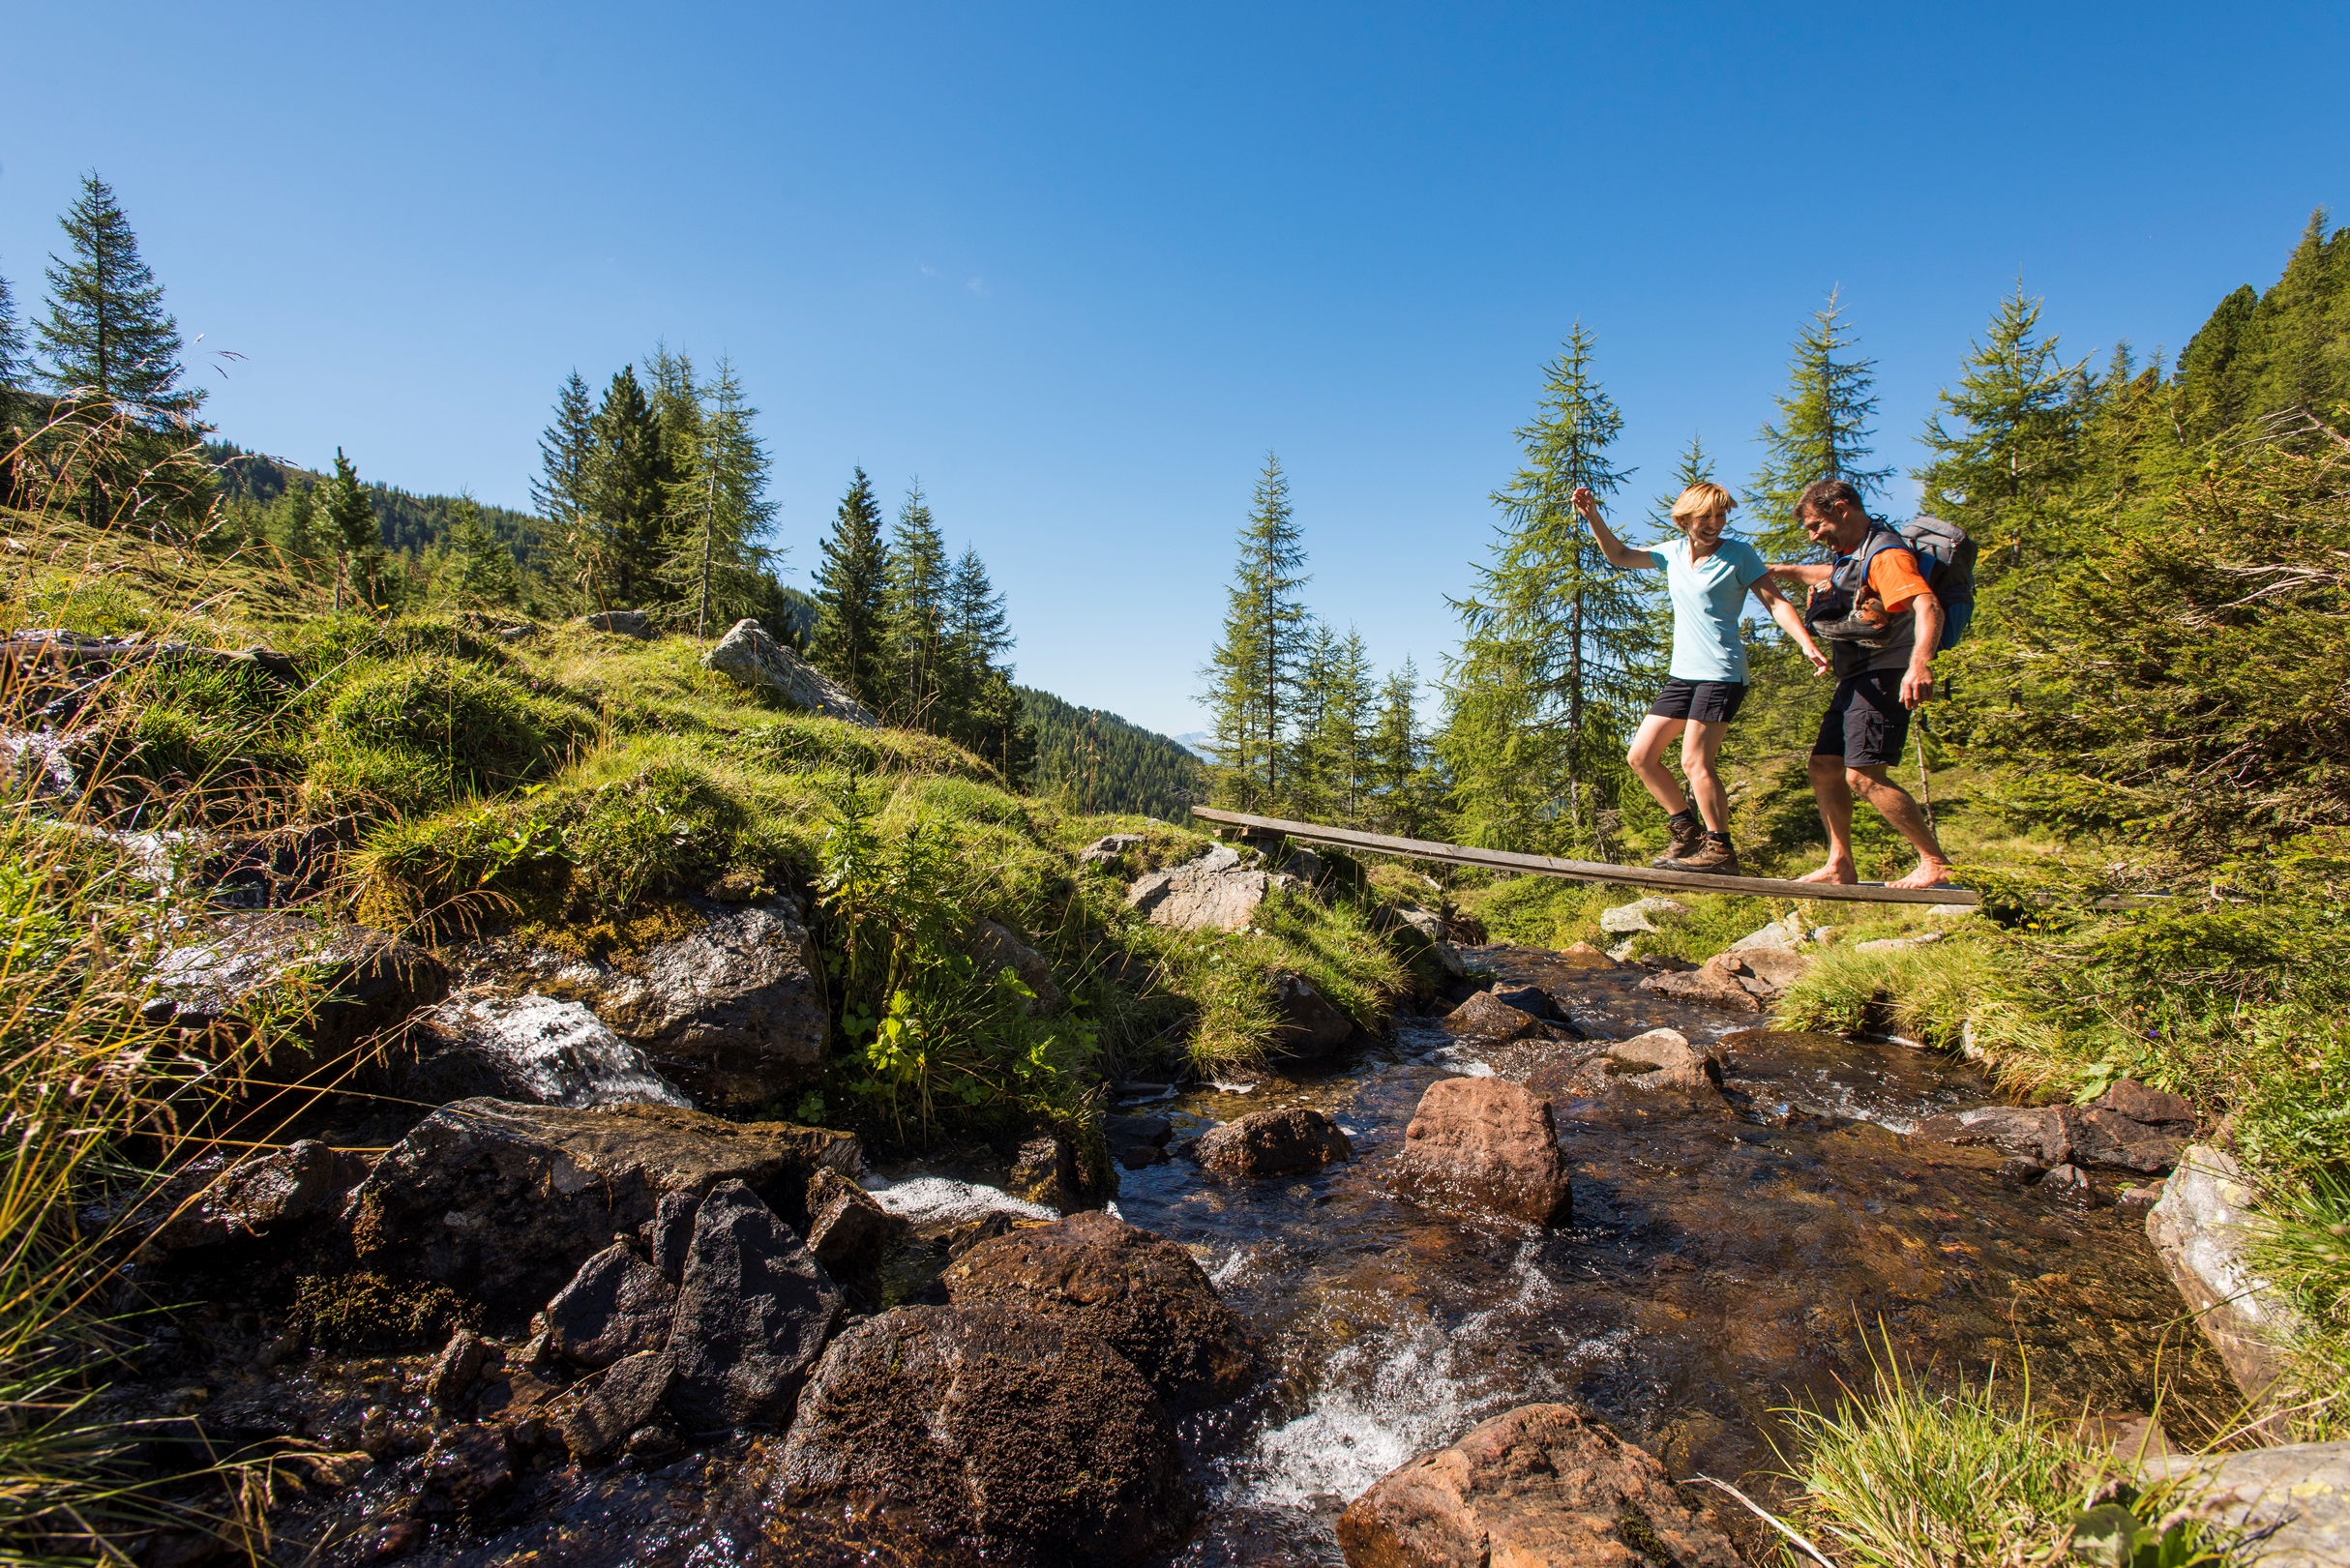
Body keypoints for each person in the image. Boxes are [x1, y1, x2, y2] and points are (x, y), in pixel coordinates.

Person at [1569, 481, 1829, 874]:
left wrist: (1805, 642)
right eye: (1706, 516)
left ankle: (1720, 849)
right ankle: (1685, 828)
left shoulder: (1739, 554)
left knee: (1695, 762)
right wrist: (1592, 516)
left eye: (1721, 515)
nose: (1715, 523)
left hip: (1721, 672)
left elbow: (1775, 601)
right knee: (1641, 756)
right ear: (1685, 518)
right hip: (1683, 674)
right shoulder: (1670, 554)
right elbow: (1620, 555)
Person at [1768, 478, 1954, 890]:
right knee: (1824, 765)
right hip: (1856, 675)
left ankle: (1935, 861)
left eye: (1817, 525)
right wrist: (1781, 570)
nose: (1815, 536)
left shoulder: (1886, 553)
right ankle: (1839, 864)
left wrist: (1919, 664)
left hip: (1886, 672)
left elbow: (1927, 604)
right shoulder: (1857, 552)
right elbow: (1832, 574)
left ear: (1841, 509)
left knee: (1863, 775)